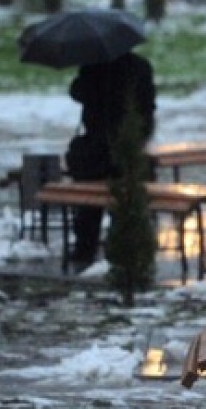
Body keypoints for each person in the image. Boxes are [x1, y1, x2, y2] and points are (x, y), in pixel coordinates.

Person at [67, 51, 156, 267]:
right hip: (128, 148)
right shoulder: (140, 66)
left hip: (95, 149)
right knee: (125, 201)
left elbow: (77, 92)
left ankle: (85, 250)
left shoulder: (92, 65)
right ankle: (122, 249)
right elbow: (149, 105)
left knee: (88, 206)